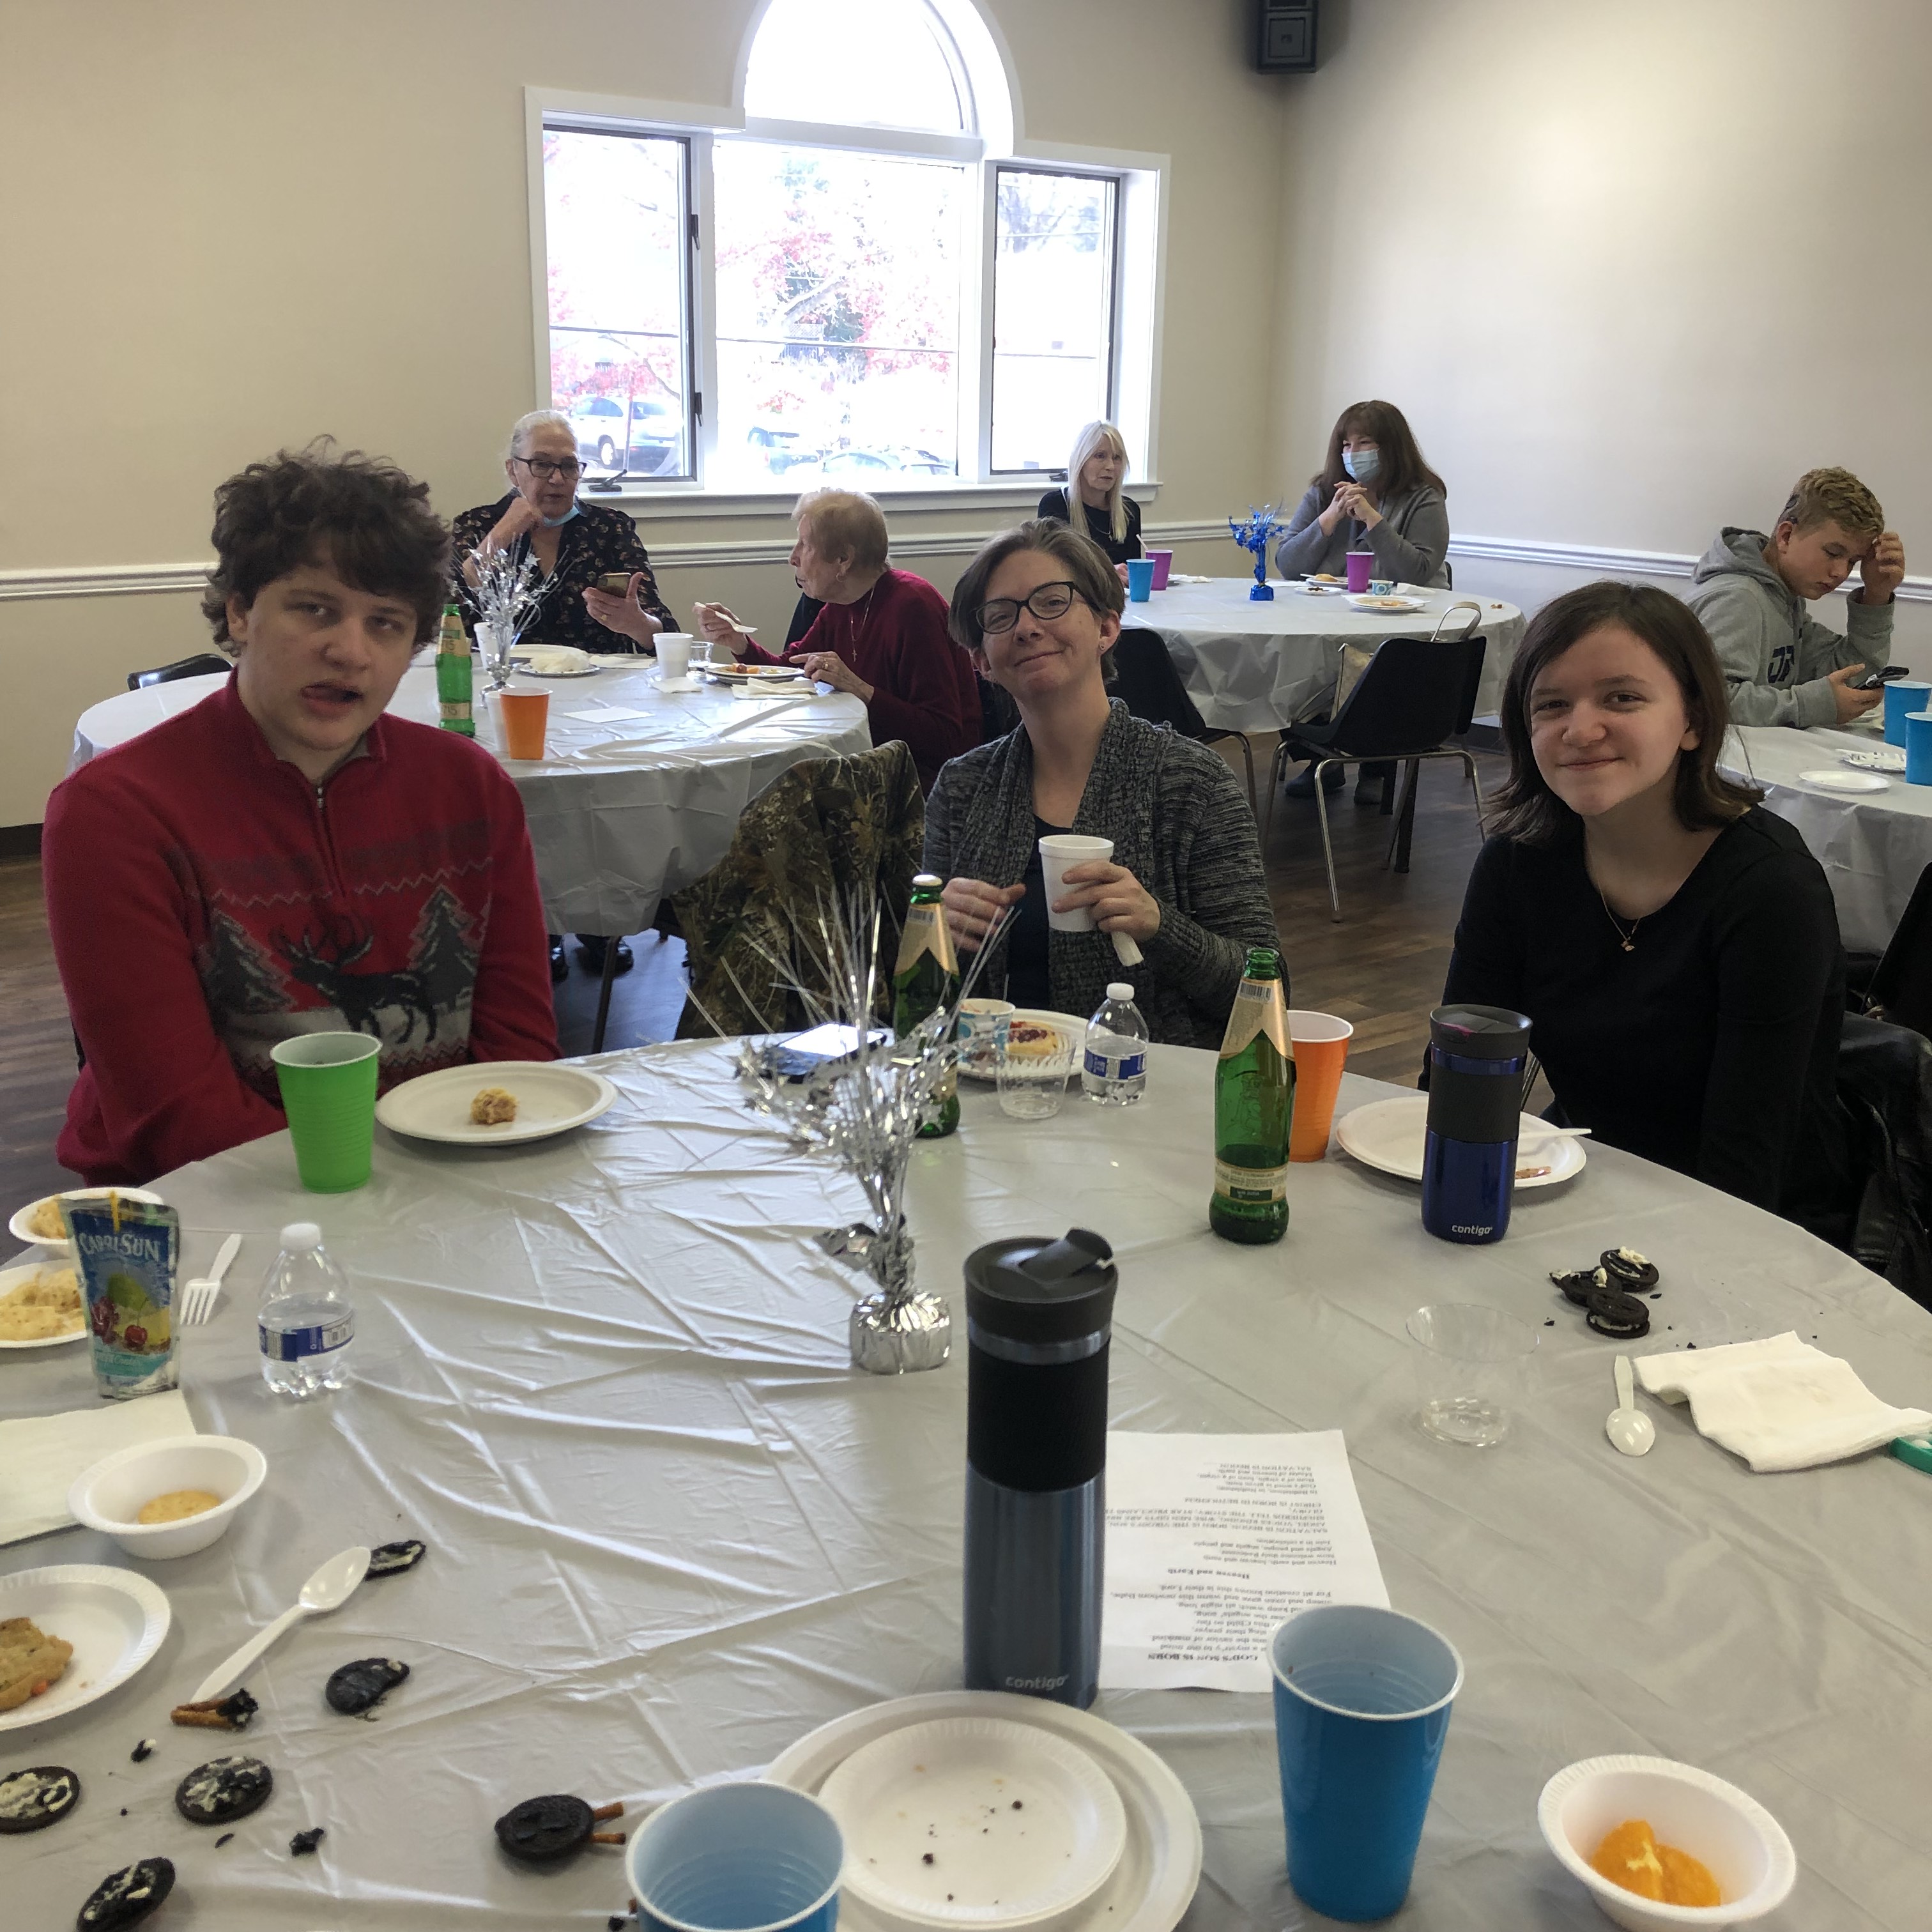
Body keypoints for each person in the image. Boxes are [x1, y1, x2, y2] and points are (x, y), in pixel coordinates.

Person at [43, 443, 558, 1186]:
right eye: (314, 608)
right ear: (240, 612)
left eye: (386, 623)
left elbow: (517, 1053)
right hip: (205, 1201)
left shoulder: (472, 788)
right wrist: (379, 1202)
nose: (350, 651)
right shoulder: (114, 814)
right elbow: (178, 1117)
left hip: (442, 1178)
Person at [1440, 580, 1851, 1234]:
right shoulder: (1517, 864)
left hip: (1760, 1224)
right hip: (1586, 1180)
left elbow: (1747, 1166)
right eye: (1551, 705)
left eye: (1622, 698)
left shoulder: (1771, 890)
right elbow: (1461, 1080)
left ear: (1692, 721)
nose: (1581, 730)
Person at [926, 519, 1280, 1048]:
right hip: (990, 1078)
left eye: (1052, 602)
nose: (1026, 627)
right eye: (1001, 616)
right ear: (981, 661)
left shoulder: (1190, 783)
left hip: (1148, 1083)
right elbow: (916, 993)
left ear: (1107, 629)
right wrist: (932, 935)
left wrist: (1160, 926)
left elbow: (1268, 991)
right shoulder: (962, 788)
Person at [452, 408, 677, 979]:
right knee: (525, 801)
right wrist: (505, 533)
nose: (557, 479)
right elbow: (453, 606)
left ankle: (602, 922)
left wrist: (637, 623)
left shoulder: (610, 529)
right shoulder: (476, 525)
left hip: (599, 699)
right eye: (542, 465)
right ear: (513, 469)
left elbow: (660, 628)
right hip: (508, 695)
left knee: (600, 799)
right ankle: (541, 927)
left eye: (569, 467)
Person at [694, 489, 981, 792]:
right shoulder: (841, 606)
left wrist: (860, 689)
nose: (793, 558)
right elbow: (789, 671)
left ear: (843, 559)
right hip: (867, 760)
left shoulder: (912, 606)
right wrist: (740, 643)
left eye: (805, 545)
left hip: (928, 782)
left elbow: (944, 738)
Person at [1275, 400, 1451, 801]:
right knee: (1293, 656)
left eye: (1365, 443)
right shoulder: (1324, 491)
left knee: (1384, 666)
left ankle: (1377, 765)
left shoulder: (1424, 496)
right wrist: (1329, 519)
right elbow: (1287, 564)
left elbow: (1417, 571)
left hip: (1400, 625)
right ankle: (1320, 758)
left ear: (1391, 446)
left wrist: (1373, 520)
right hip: (1327, 618)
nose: (1353, 453)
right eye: (1346, 444)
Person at [1685, 466, 1906, 729]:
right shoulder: (1738, 598)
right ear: (1786, 536)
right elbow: (1708, 702)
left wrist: (1876, 596)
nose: (1841, 572)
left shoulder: (1784, 598)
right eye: (1833, 553)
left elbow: (1846, 672)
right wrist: (1810, 705)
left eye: (1852, 561)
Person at [1036, 420, 1143, 568]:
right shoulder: (1055, 506)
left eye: (1117, 458)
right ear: (1081, 461)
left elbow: (1134, 572)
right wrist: (1110, 574)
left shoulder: (1129, 511)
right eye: (1100, 456)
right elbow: (1049, 571)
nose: (1110, 466)